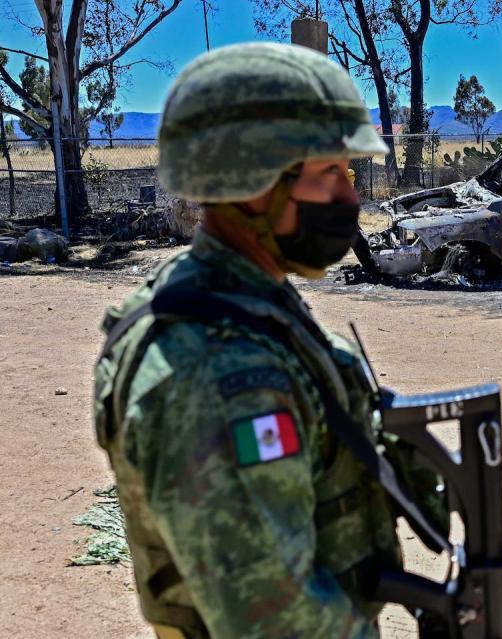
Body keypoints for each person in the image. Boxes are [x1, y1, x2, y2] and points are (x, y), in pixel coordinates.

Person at [94, 42, 446, 639]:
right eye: (329, 173)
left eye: (350, 174)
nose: (350, 198)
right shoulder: (214, 371)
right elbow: (273, 620)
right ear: (253, 185)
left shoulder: (233, 302)